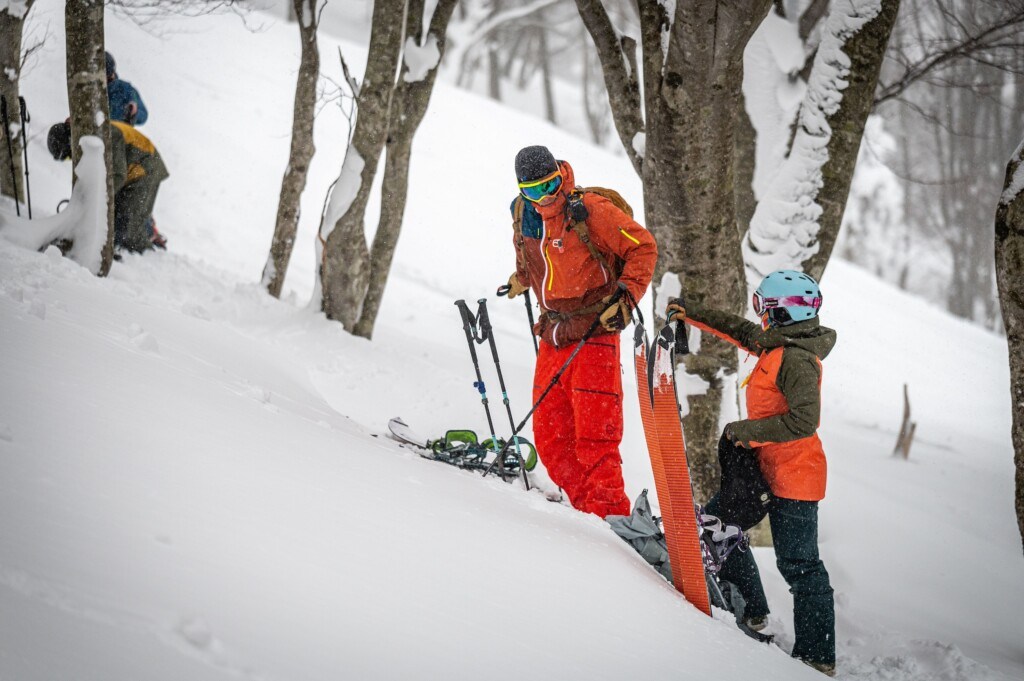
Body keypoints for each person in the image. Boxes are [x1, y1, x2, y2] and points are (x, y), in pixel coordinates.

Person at [666, 270, 837, 677]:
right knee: (722, 529)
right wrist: (690, 313)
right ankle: (753, 612)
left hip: (796, 478)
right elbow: (739, 330)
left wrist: (744, 433)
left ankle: (818, 657)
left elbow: (804, 421)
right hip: (764, 471)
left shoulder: (796, 359)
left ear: (780, 312)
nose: (757, 314)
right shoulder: (779, 343)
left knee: (800, 566)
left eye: (763, 306)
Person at [506, 145, 657, 518]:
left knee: (595, 440)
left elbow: (644, 248)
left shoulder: (589, 210)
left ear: (561, 174)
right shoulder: (524, 213)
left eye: (551, 185)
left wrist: (626, 296)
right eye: (535, 191)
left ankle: (612, 520)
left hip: (595, 332)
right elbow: (532, 256)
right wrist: (522, 279)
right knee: (550, 437)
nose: (546, 198)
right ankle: (585, 517)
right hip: (553, 334)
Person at [47, 120, 169, 253]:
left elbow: (117, 175)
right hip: (132, 168)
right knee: (116, 218)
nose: (71, 159)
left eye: (68, 155)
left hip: (147, 166)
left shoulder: (107, 135)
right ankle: (146, 231)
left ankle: (149, 254)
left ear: (71, 141)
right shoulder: (89, 137)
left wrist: (95, 199)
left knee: (129, 227)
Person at [105, 52, 148, 126]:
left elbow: (143, 115)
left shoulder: (126, 90)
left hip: (119, 134)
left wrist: (134, 113)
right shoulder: (88, 90)